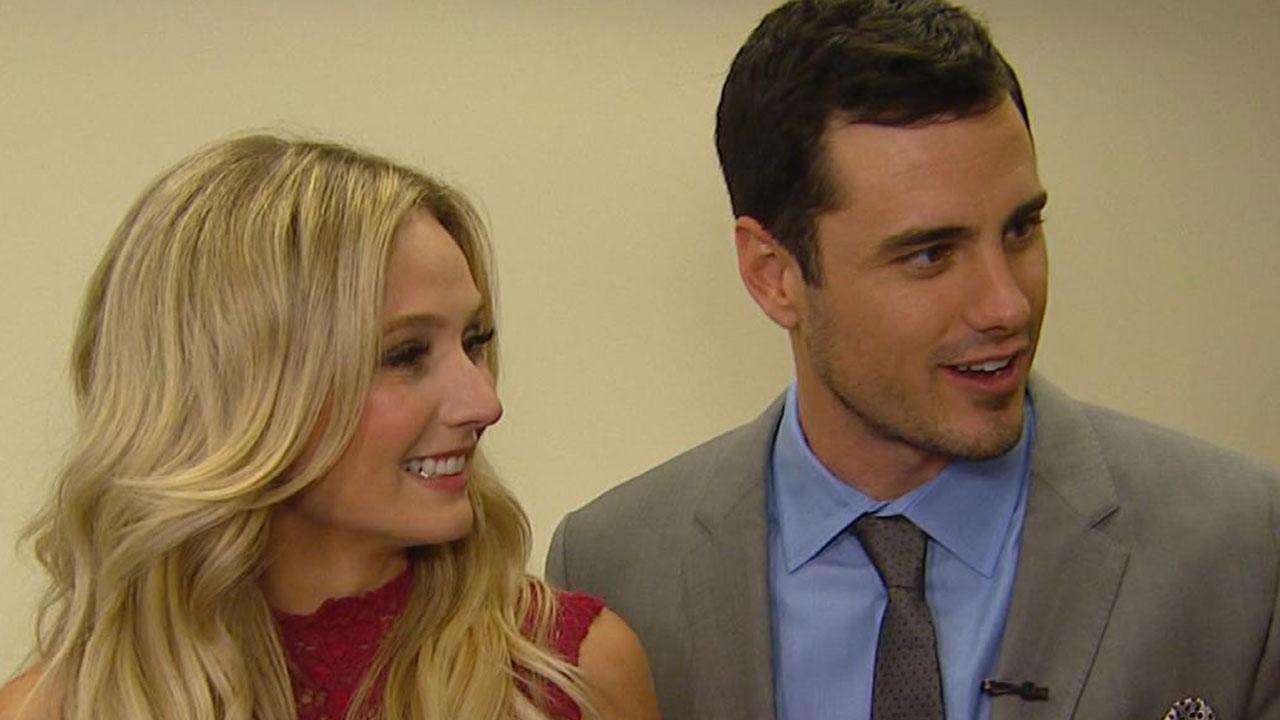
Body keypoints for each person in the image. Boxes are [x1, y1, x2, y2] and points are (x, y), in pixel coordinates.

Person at [546, 1, 1280, 719]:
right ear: (774, 274)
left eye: (1020, 230)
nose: (1006, 306)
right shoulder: (614, 573)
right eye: (930, 254)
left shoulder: (1240, 547)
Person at [0, 135, 659, 720]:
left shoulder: (569, 672)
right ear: (238, 391)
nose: (483, 402)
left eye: (475, 342)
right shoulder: (56, 708)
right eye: (405, 354)